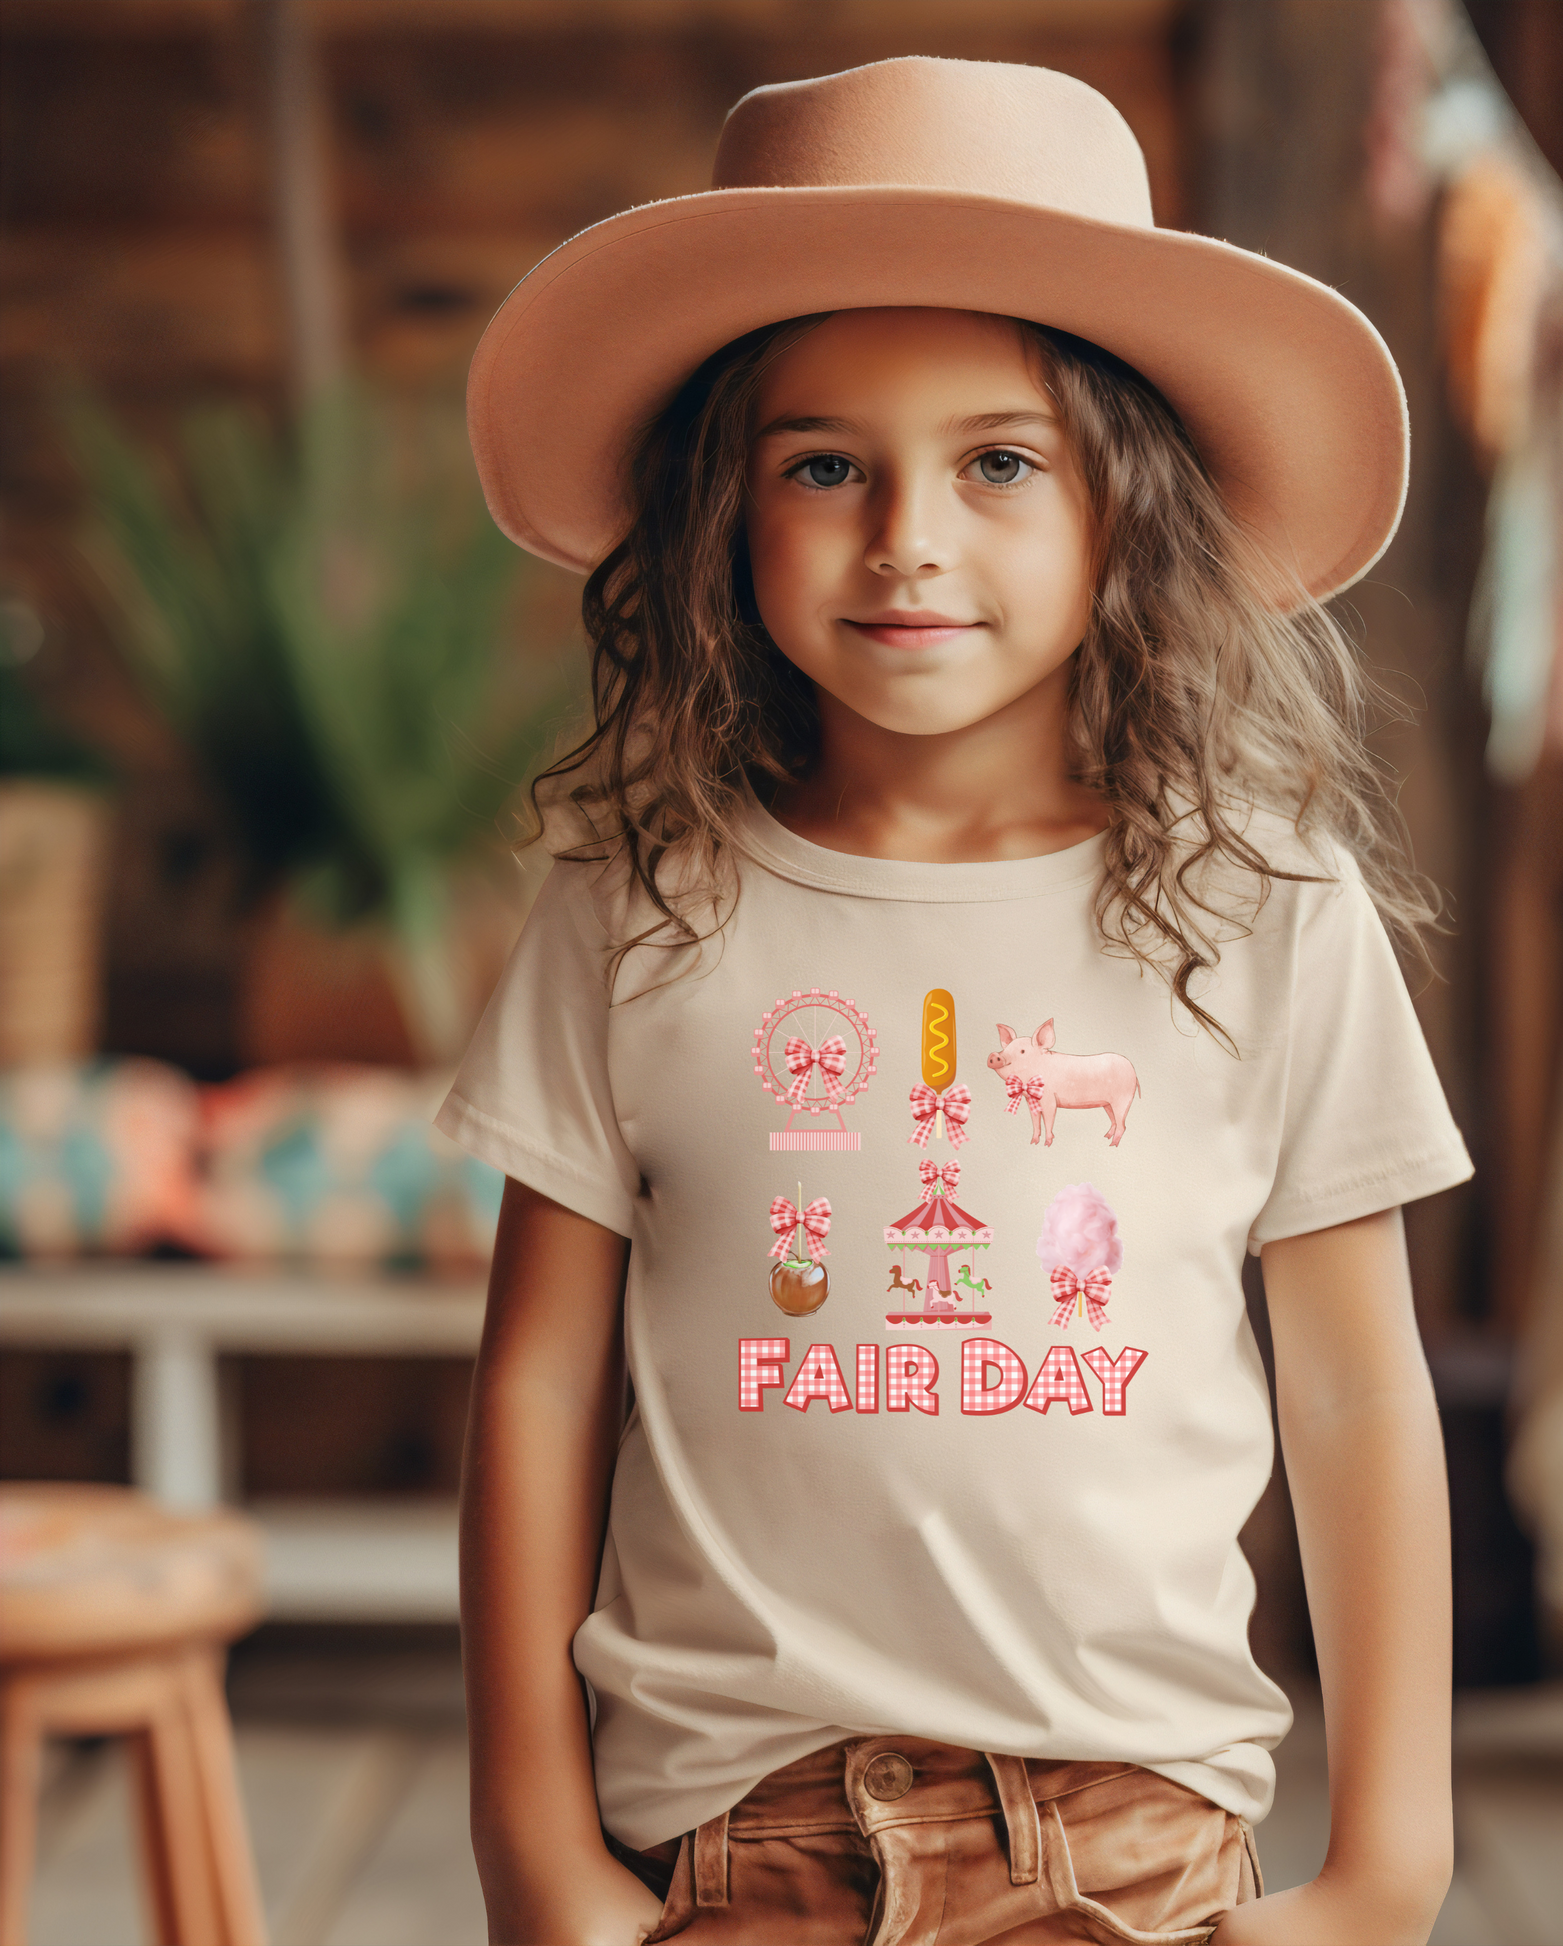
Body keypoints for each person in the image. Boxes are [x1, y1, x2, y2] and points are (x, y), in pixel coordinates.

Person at [444, 56, 1471, 1946]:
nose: (905, 533)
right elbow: (537, 1380)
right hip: (732, 1840)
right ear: (720, 512)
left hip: (1134, 1842)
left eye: (998, 461)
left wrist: (1388, 1864)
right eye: (823, 464)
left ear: (1124, 507)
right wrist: (531, 1843)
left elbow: (1353, 1385)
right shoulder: (634, 898)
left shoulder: (1264, 905)